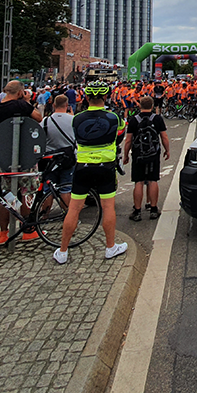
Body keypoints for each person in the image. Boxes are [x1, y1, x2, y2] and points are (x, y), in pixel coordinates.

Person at [53, 79, 127, 264]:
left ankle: (63, 251)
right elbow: (120, 133)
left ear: (86, 97)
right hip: (106, 165)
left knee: (74, 209)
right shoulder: (114, 117)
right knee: (108, 207)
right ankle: (110, 247)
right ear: (106, 96)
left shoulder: (77, 118)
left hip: (83, 165)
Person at [0, 80, 43, 244]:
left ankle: (3, 234)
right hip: (24, 155)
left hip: (4, 157)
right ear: (19, 93)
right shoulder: (20, 106)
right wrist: (26, 102)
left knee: (7, 195)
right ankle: (28, 229)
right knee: (28, 192)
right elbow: (38, 118)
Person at [122, 96, 170, 221]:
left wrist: (126, 155)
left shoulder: (134, 120)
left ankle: (137, 211)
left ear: (140, 106)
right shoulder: (157, 118)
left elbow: (128, 140)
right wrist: (167, 150)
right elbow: (164, 136)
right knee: (153, 180)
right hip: (153, 154)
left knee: (138, 181)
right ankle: (153, 209)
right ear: (152, 106)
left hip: (138, 154)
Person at [42, 94, 76, 206]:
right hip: (68, 158)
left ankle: (44, 215)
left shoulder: (46, 121)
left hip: (50, 159)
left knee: (48, 189)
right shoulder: (73, 120)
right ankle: (67, 215)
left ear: (53, 105)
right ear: (67, 105)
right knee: (66, 188)